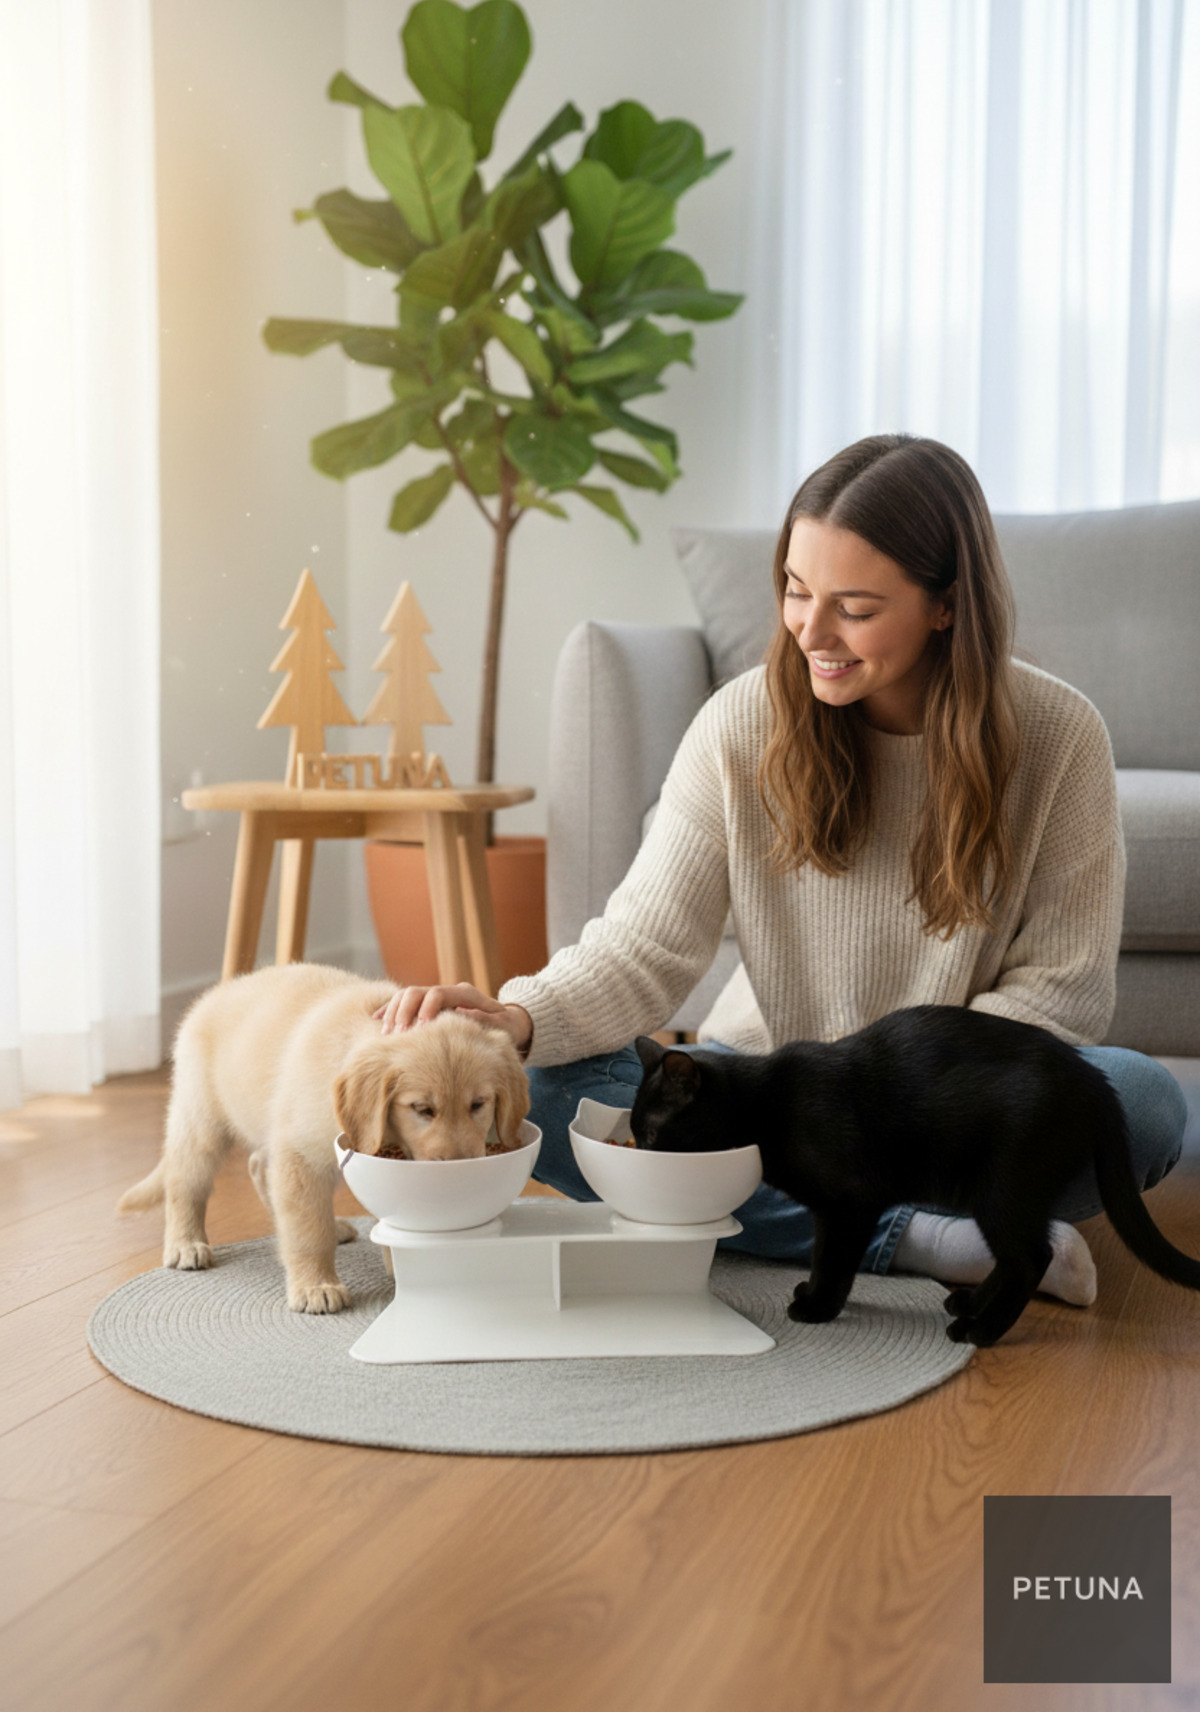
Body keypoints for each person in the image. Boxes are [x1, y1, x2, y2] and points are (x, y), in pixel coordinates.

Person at [377, 434, 1188, 1304]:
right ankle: (922, 1238)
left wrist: (887, 1102)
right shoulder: (743, 724)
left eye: (856, 607)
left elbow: (1062, 996)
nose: (811, 629)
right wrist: (518, 1016)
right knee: (535, 1086)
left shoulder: (1061, 738)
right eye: (797, 592)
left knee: (1141, 1103)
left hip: (944, 1120)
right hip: (764, 1109)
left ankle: (803, 1219)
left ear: (945, 606)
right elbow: (643, 946)